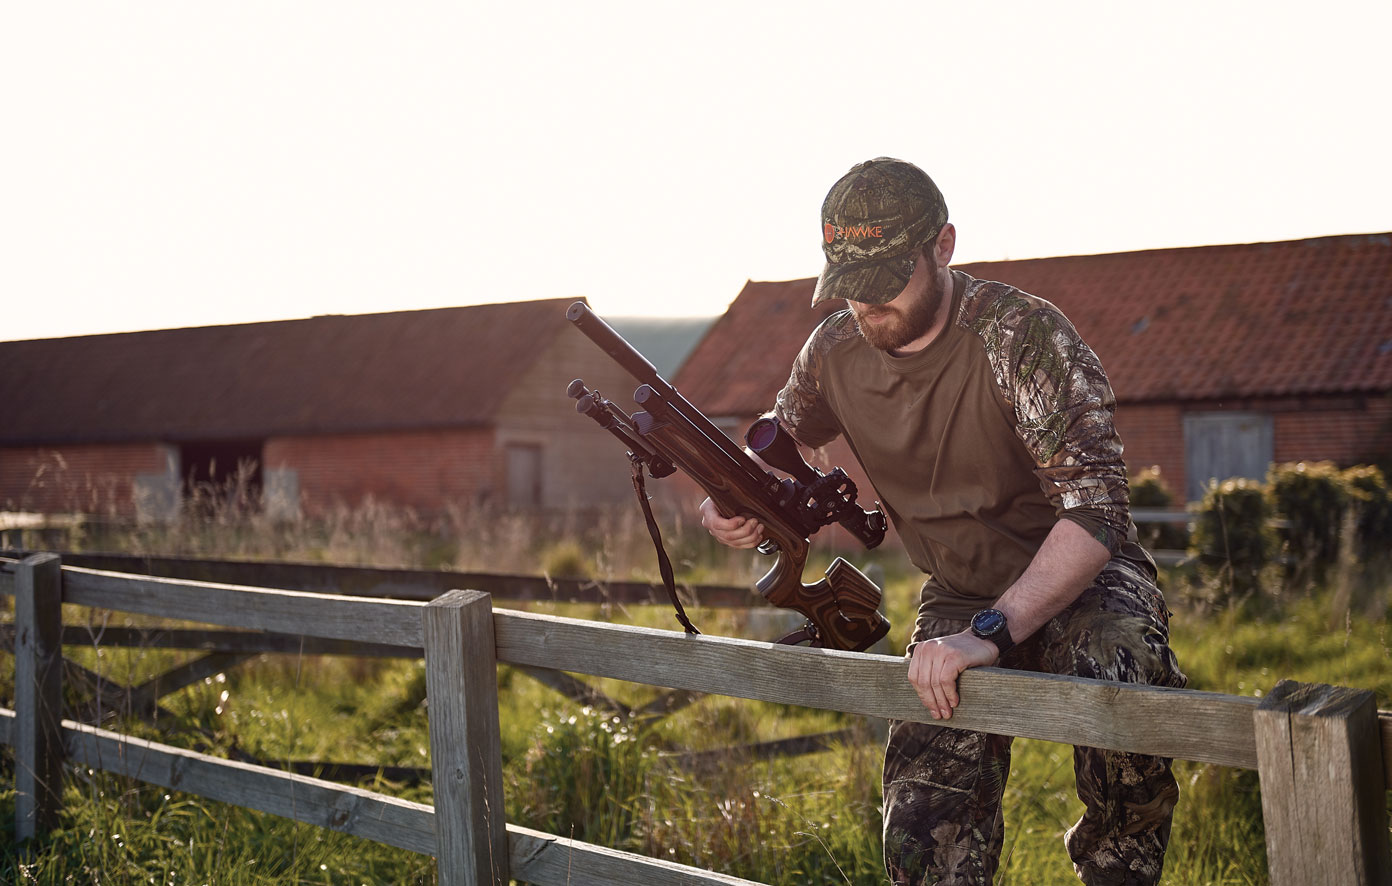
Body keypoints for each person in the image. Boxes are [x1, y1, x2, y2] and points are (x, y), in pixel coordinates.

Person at [700, 157, 1187, 885]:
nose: (868, 307)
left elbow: (1095, 515)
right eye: (851, 287)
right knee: (922, 829)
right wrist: (734, 496)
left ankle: (1119, 864)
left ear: (944, 246)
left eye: (887, 281)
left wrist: (988, 634)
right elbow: (785, 435)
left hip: (1082, 579)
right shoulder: (834, 349)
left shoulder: (1022, 337)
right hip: (957, 592)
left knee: (1121, 674)